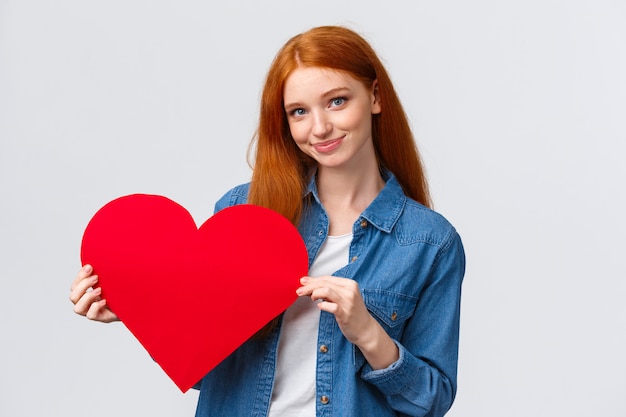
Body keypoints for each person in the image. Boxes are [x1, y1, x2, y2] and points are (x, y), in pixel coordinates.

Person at [70, 25, 465, 417]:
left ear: (375, 96)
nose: (320, 128)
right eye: (299, 112)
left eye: (337, 101)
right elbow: (206, 373)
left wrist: (367, 332)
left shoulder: (429, 243)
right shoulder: (244, 213)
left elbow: (431, 401)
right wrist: (143, 311)